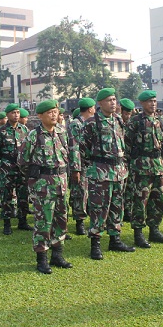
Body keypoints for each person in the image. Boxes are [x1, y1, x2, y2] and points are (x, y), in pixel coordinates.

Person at [18, 99, 78, 273]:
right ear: (40, 116)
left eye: (55, 111)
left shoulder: (62, 132)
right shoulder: (33, 135)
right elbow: (23, 162)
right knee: (44, 222)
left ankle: (57, 255)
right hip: (43, 185)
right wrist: (35, 182)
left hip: (61, 182)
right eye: (50, 112)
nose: (54, 115)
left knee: (61, 220)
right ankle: (41, 259)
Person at [79, 88, 135, 260]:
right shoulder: (91, 123)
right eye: (109, 100)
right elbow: (83, 148)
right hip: (100, 172)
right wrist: (94, 166)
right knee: (98, 208)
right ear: (100, 103)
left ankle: (115, 239)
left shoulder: (118, 120)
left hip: (119, 172)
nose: (113, 103)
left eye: (114, 99)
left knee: (117, 206)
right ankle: (95, 243)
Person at [125, 90, 163, 248]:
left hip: (157, 166)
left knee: (157, 200)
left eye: (154, 100)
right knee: (140, 201)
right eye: (150, 101)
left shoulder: (159, 120)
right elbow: (127, 145)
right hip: (141, 167)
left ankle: (154, 230)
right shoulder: (135, 121)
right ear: (143, 103)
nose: (153, 103)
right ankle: (138, 233)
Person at [0, 103, 31, 234]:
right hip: (7, 168)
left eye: (18, 113)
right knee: (7, 195)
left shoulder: (24, 130)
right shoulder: (1, 131)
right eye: (13, 113)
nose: (16, 115)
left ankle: (23, 221)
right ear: (8, 115)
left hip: (22, 168)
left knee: (23, 195)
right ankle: (7, 223)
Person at [67, 98, 95, 235]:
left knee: (91, 193)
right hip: (81, 164)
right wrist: (76, 168)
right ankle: (80, 221)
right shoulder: (76, 124)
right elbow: (74, 147)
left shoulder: (91, 123)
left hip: (92, 164)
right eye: (94, 107)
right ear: (90, 109)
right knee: (80, 193)